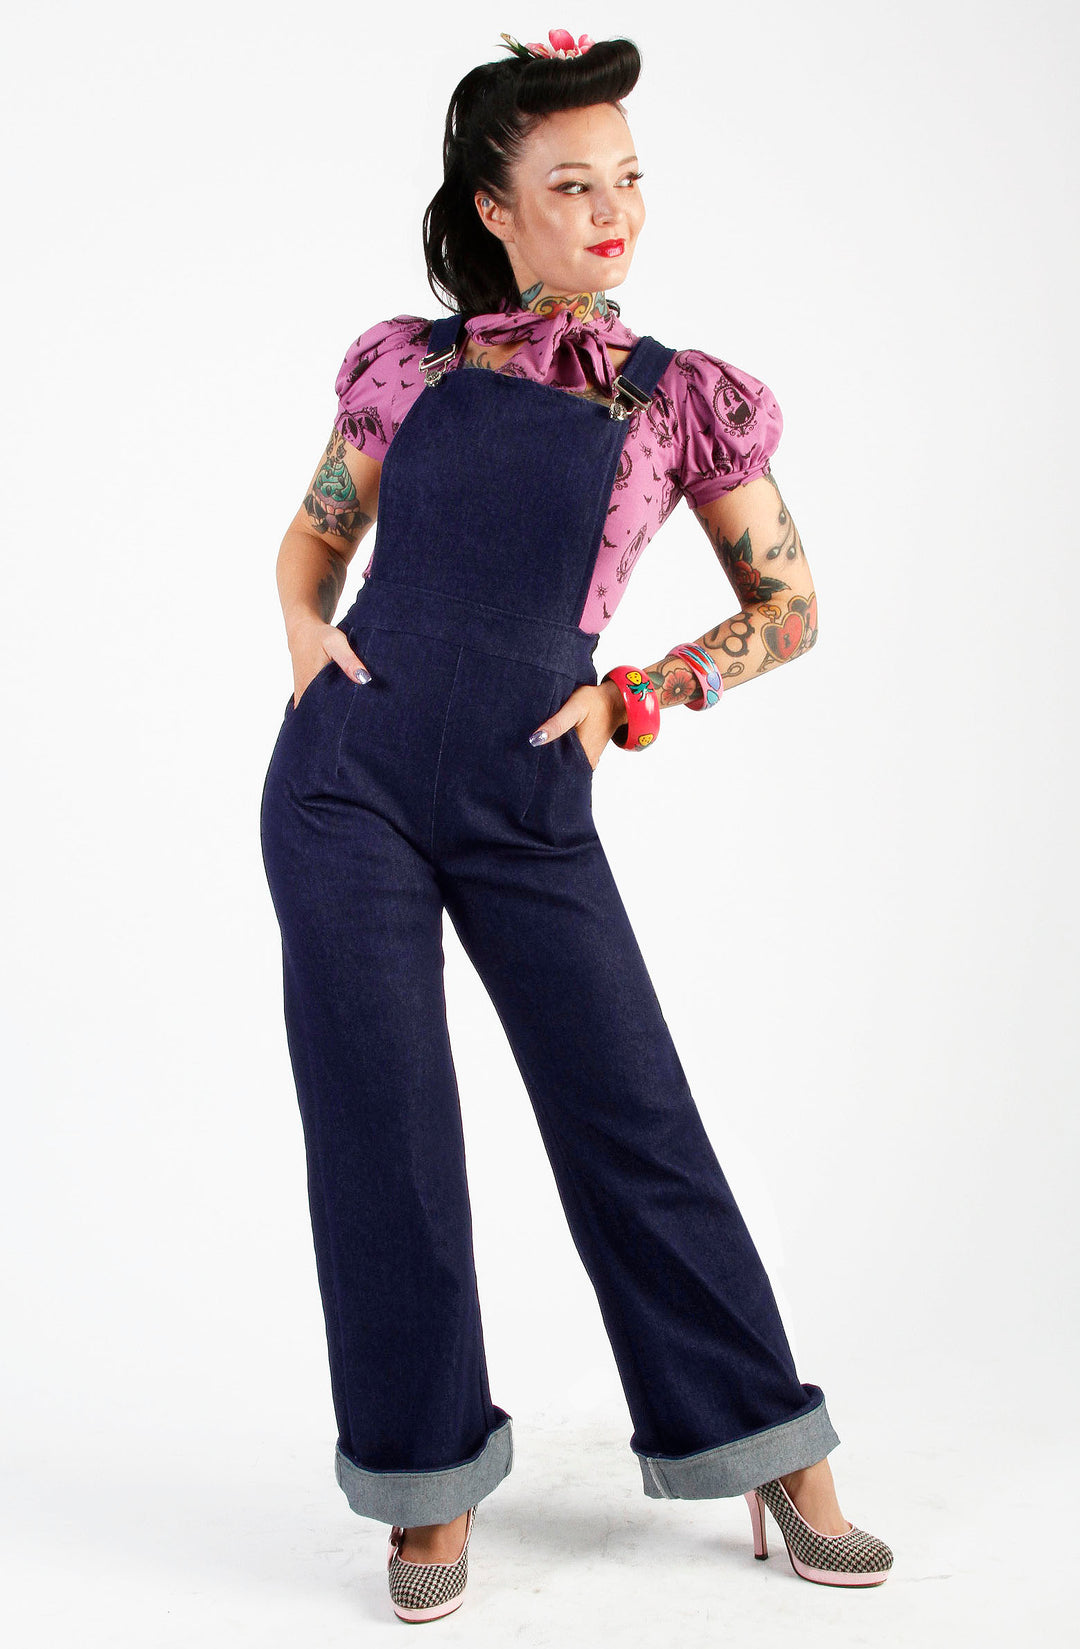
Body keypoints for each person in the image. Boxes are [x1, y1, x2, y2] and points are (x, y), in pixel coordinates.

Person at [259, 27, 893, 1624]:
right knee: (383, 1130)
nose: (613, 213)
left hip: (527, 794)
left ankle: (768, 1446)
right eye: (571, 186)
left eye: (627, 181)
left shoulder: (677, 400)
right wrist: (306, 635)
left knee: (631, 1114)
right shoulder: (407, 369)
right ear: (495, 211)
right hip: (346, 783)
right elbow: (311, 543)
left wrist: (641, 695)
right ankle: (424, 1479)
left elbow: (789, 608)